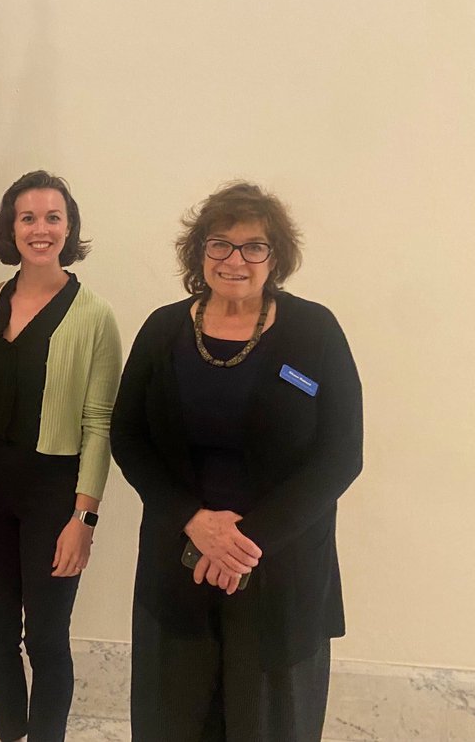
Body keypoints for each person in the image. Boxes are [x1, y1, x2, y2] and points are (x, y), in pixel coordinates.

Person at [110, 181, 363, 742]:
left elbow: (341, 456)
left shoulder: (315, 331)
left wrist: (245, 543)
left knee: (269, 723)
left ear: (276, 258)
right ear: (199, 252)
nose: (235, 260)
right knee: (173, 715)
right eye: (220, 244)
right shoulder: (163, 329)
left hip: (281, 568)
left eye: (254, 247)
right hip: (179, 558)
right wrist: (196, 523)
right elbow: (128, 437)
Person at [0, 170, 123, 742]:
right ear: (11, 228)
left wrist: (85, 518)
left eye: (53, 217)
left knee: (46, 639)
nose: (41, 228)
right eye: (28, 217)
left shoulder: (95, 315)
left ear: (69, 227)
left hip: (55, 495)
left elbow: (101, 424)